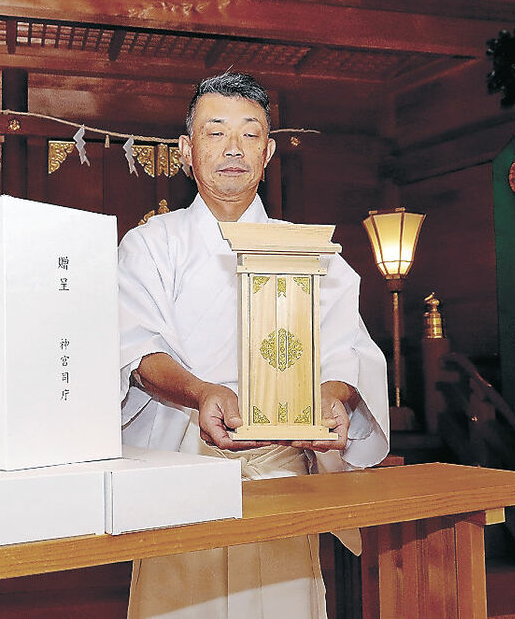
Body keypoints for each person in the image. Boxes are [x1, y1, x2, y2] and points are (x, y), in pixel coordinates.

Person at [117, 72, 390, 619]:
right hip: (183, 464)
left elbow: (346, 351)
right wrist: (199, 394)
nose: (233, 148)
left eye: (250, 133)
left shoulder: (314, 251)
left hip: (283, 470)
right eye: (215, 132)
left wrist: (331, 398)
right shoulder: (152, 243)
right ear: (185, 150)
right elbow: (136, 348)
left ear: (268, 151)